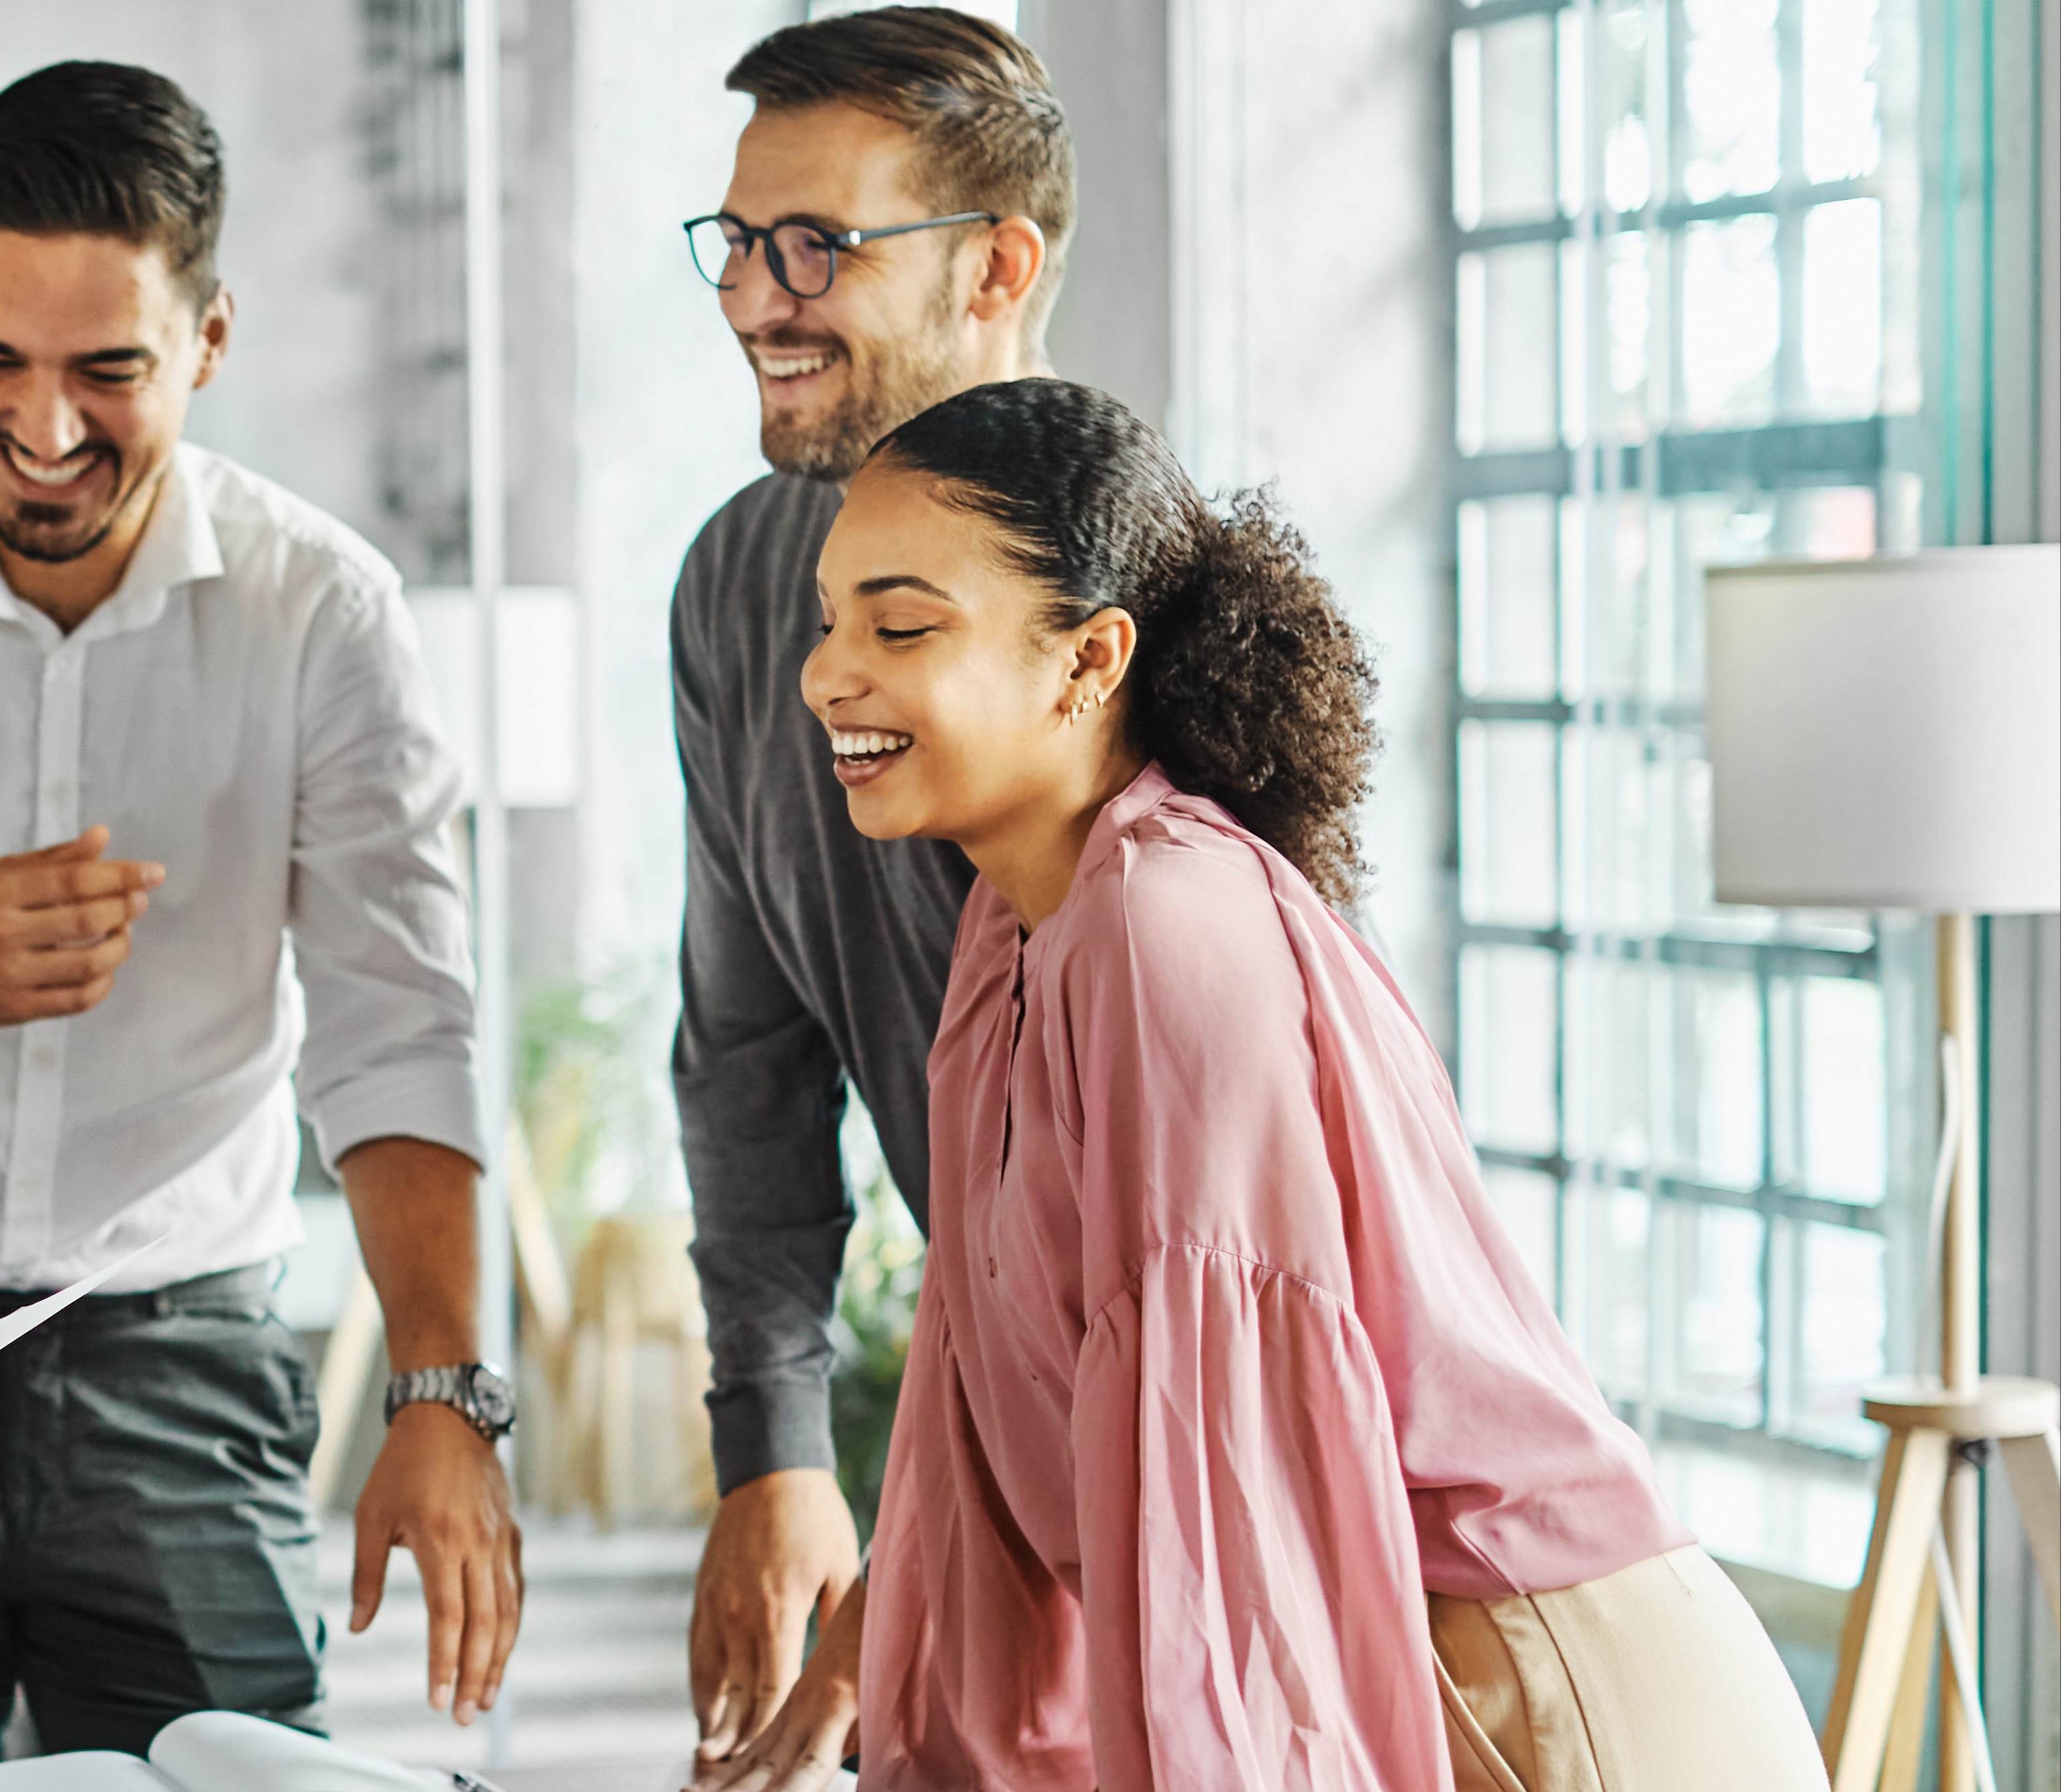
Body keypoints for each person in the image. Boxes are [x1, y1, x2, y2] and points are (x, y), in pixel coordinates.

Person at [716, 375, 1822, 1791]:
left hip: (1539, 1701)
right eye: (830, 618)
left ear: (1089, 659)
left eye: (902, 624)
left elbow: (1235, 1539)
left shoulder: (1167, 930)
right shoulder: (1013, 934)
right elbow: (977, 1453)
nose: (826, 672)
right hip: (1385, 1680)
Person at [0, 60, 523, 1791]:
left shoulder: (327, 614)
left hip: (178, 1345)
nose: (45, 427)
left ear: (211, 342)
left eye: (109, 371)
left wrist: (441, 1396)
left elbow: (399, 1025)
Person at [660, 9, 1074, 1772]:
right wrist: (774, 1442)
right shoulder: (741, 584)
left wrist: (916, 1571)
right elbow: (745, 1052)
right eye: (741, 242)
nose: (759, 294)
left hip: (1215, 1453)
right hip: (1002, 1445)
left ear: (995, 267)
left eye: (819, 244)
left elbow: (1144, 1239)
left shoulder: (1137, 620)